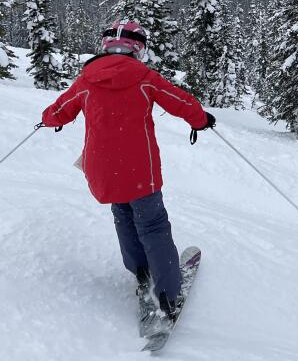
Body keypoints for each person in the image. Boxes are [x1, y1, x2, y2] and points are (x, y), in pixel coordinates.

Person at [40, 19, 215, 319]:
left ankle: (141, 272)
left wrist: (48, 120)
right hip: (139, 172)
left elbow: (58, 111)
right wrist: (200, 120)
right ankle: (167, 296)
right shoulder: (144, 77)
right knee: (153, 225)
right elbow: (180, 101)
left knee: (123, 216)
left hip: (102, 171)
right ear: (139, 49)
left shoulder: (87, 79)